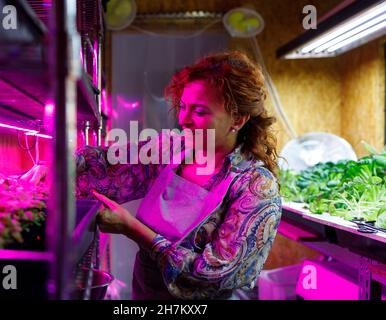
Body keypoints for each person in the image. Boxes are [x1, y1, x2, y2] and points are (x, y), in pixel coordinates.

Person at [26, 50, 282, 300]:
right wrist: (62, 165)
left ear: (238, 118)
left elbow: (215, 275)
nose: (185, 120)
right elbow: (110, 165)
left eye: (200, 111)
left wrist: (133, 229)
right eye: (183, 106)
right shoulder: (173, 149)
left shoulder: (255, 186)